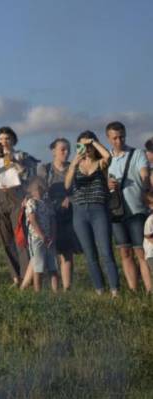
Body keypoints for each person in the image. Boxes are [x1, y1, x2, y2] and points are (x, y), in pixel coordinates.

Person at [0, 126, 36, 285]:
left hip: (17, 197)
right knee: (6, 240)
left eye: (7, 139)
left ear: (13, 141)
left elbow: (30, 175)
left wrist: (14, 161)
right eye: (1, 139)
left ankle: (26, 276)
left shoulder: (21, 155)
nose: (4, 142)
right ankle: (15, 276)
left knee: (20, 238)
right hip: (0, 198)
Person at [64, 132, 119, 295]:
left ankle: (115, 290)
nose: (86, 149)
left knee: (106, 251)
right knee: (89, 253)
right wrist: (74, 163)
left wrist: (93, 142)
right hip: (79, 212)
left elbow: (108, 156)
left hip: (98, 210)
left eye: (88, 146)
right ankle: (99, 289)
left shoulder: (101, 163)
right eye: (82, 145)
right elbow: (67, 185)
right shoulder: (74, 165)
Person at [105, 121, 151, 294]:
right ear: (108, 139)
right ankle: (133, 290)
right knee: (124, 252)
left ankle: (149, 290)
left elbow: (144, 172)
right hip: (116, 212)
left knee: (141, 252)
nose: (119, 141)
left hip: (137, 210)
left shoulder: (137, 153)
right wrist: (107, 183)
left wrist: (146, 185)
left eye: (121, 136)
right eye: (115, 138)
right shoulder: (106, 159)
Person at [38, 138, 78, 290]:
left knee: (67, 253)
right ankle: (52, 289)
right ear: (53, 151)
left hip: (68, 215)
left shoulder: (73, 168)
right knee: (49, 251)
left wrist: (70, 198)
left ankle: (67, 287)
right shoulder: (45, 169)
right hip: (49, 215)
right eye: (62, 149)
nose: (66, 152)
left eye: (68, 149)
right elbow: (38, 189)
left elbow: (79, 190)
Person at [19, 177, 59, 293]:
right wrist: (42, 236)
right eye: (37, 188)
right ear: (31, 190)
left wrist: (53, 236)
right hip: (36, 239)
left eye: (41, 187)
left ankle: (56, 292)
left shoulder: (47, 203)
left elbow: (53, 220)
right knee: (38, 267)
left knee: (53, 266)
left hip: (49, 239)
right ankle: (38, 292)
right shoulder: (31, 202)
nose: (39, 190)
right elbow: (32, 219)